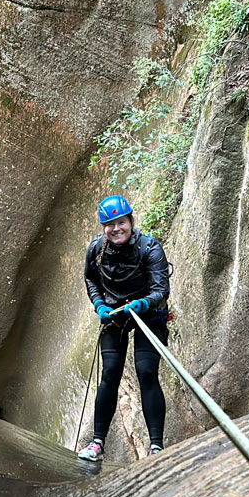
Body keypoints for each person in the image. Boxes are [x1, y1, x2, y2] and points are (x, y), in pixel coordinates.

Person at [78, 195, 171, 461]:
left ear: (131, 221)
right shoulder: (97, 249)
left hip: (149, 314)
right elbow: (91, 279)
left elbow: (161, 290)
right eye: (110, 224)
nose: (116, 228)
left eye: (121, 222)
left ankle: (155, 447)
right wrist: (98, 305)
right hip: (115, 314)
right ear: (103, 227)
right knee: (109, 373)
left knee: (146, 371)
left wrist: (143, 303)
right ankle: (97, 444)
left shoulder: (150, 248)